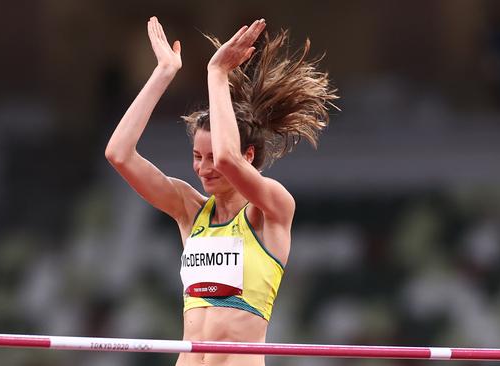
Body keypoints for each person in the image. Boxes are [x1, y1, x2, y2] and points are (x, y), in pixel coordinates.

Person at [105, 16, 338, 366]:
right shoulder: (189, 210)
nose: (203, 168)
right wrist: (164, 72)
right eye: (197, 157)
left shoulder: (272, 208)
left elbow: (229, 159)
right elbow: (119, 154)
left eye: (211, 157)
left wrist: (217, 73)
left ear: (249, 155)